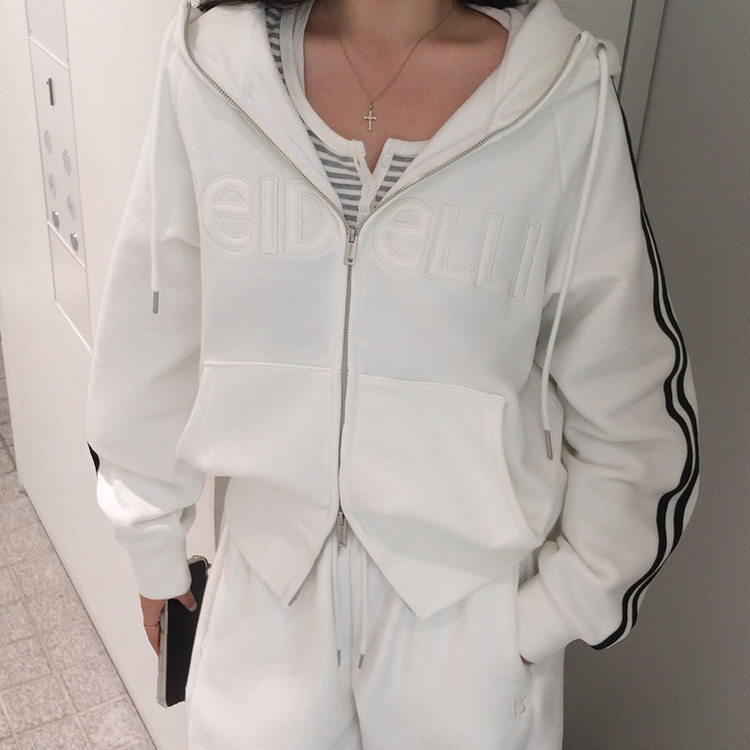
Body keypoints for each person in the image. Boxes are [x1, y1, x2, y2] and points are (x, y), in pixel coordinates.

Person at [85, 0, 701, 747]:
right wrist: (150, 539)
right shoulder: (212, 71)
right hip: (262, 606)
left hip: (465, 637)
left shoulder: (561, 96)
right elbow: (152, 331)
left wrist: (547, 616)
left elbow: (634, 408)